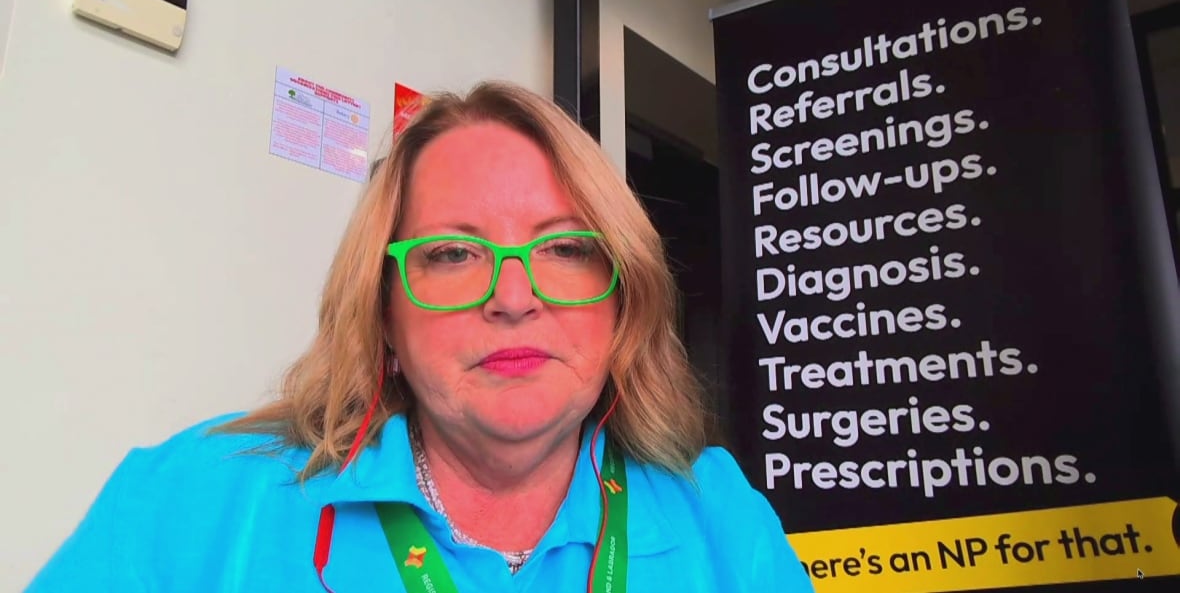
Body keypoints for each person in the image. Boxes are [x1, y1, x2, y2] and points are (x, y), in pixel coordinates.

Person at [28, 82, 815, 592]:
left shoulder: (718, 512)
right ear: (383, 316)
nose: (513, 297)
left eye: (567, 249)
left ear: (625, 302)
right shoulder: (190, 497)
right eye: (450, 253)